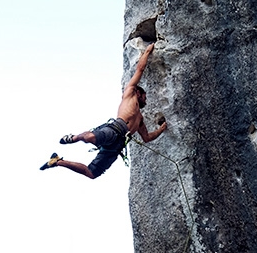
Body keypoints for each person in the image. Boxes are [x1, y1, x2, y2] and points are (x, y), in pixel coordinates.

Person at [40, 43, 167, 178]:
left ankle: (58, 162)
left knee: (92, 173)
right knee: (90, 137)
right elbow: (140, 69)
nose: (145, 101)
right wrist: (147, 52)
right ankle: (73, 138)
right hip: (114, 129)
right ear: (138, 93)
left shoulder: (140, 119)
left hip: (117, 145)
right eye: (144, 98)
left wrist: (162, 128)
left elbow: (147, 138)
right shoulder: (130, 93)